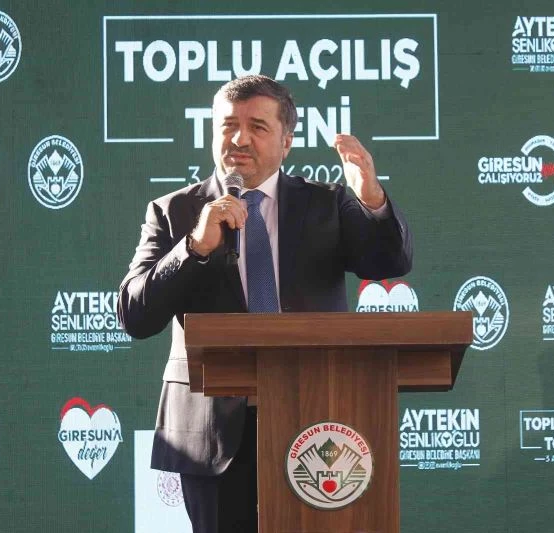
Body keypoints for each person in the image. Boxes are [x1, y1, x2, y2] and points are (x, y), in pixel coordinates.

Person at [116, 74, 412, 533]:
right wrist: (194, 246)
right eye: (228, 126)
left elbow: (389, 260)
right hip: (211, 433)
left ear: (287, 141)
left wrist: (371, 198)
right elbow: (135, 315)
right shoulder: (173, 211)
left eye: (257, 127)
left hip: (316, 419)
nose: (239, 139)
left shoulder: (328, 204)